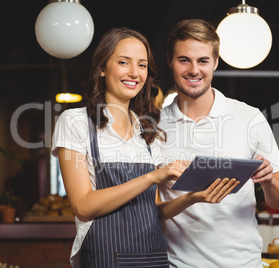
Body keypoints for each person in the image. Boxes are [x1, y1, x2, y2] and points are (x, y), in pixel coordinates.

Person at [51, 27, 237, 268]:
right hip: (104, 256)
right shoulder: (76, 121)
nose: (134, 73)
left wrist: (192, 198)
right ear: (102, 68)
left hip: (153, 256)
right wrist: (153, 176)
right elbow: (83, 207)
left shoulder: (147, 128)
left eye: (142, 65)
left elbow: (152, 211)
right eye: (123, 62)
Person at [158, 19, 279, 268]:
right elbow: (147, 210)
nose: (194, 70)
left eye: (203, 61)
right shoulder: (153, 126)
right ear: (170, 60)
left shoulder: (249, 117)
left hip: (244, 263)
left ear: (216, 62)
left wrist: (270, 181)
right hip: (178, 264)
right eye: (184, 60)